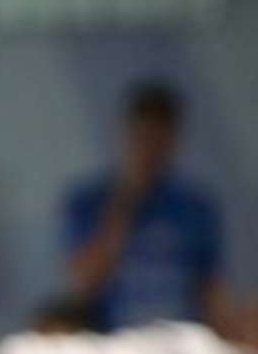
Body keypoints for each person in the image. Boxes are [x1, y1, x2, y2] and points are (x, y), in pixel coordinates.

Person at [63, 78, 237, 335]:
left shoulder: (196, 206)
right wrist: (127, 201)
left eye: (160, 141)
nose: (151, 150)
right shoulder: (88, 202)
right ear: (126, 134)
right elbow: (84, 284)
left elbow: (211, 289)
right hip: (115, 343)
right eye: (143, 138)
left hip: (181, 343)